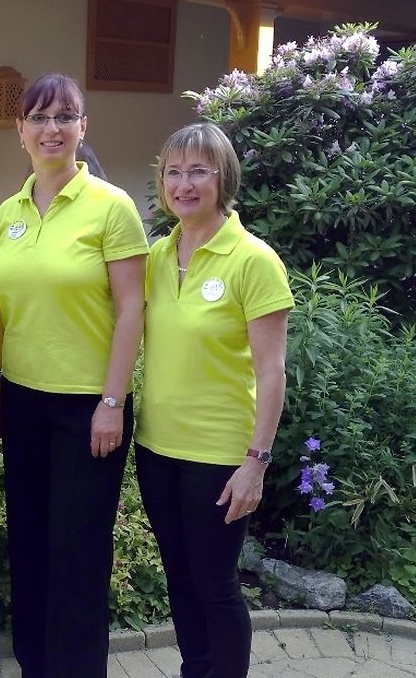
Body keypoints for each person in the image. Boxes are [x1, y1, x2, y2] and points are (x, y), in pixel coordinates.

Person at [0, 73, 148, 678]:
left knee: (77, 552)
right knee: (30, 542)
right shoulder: (9, 212)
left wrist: (112, 400)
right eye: (38, 117)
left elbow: (131, 309)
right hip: (23, 400)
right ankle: (35, 665)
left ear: (83, 127)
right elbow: (6, 308)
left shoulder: (112, 207)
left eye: (64, 117)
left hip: (88, 407)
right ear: (20, 130)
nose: (50, 129)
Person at [135, 122, 292, 678]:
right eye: (173, 172)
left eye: (198, 171)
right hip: (156, 448)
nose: (184, 184)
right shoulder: (157, 256)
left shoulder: (253, 260)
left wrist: (256, 463)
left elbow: (272, 372)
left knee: (215, 583)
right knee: (179, 577)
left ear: (222, 177)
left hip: (220, 456)